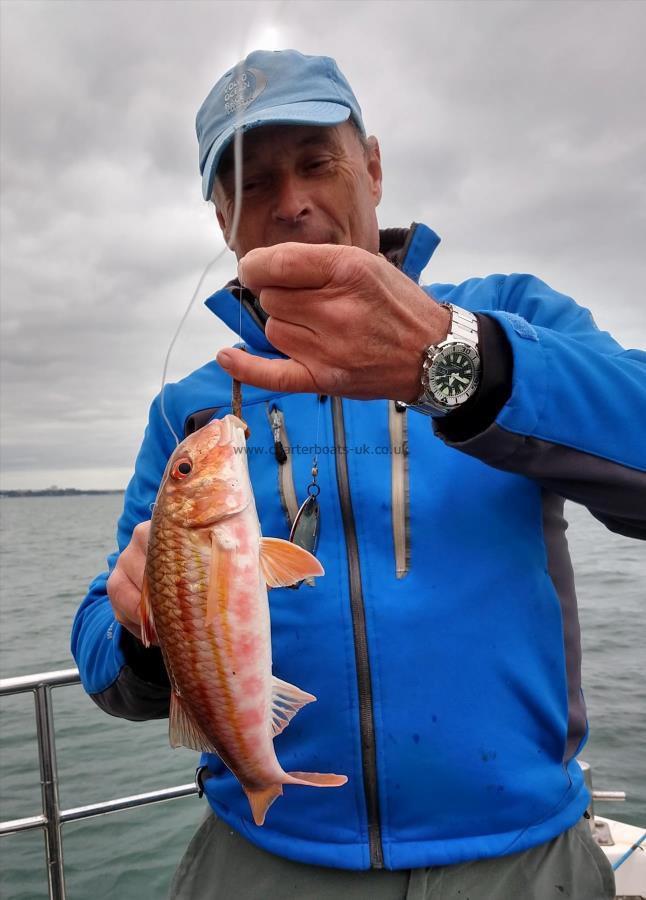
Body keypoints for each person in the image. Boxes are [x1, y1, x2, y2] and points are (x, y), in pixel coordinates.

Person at [72, 49, 645, 899]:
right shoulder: (192, 409)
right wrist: (153, 629)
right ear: (221, 216)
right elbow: (102, 657)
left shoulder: (510, 319)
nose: (291, 200)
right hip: (263, 856)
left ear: (372, 166)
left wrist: (449, 359)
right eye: (254, 183)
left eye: (316, 161)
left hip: (521, 859)